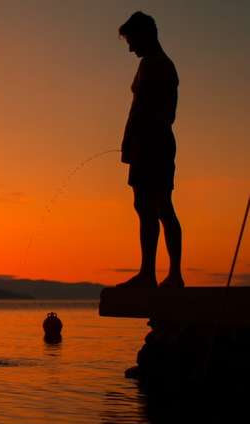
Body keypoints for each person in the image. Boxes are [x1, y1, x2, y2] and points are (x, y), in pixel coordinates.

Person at [116, 12, 184, 288]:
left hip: (153, 145)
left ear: (145, 35)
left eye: (132, 41)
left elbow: (160, 112)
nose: (130, 48)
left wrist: (138, 140)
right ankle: (164, 274)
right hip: (147, 145)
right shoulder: (152, 64)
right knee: (156, 207)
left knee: (153, 207)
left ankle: (151, 274)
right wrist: (129, 141)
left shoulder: (160, 66)